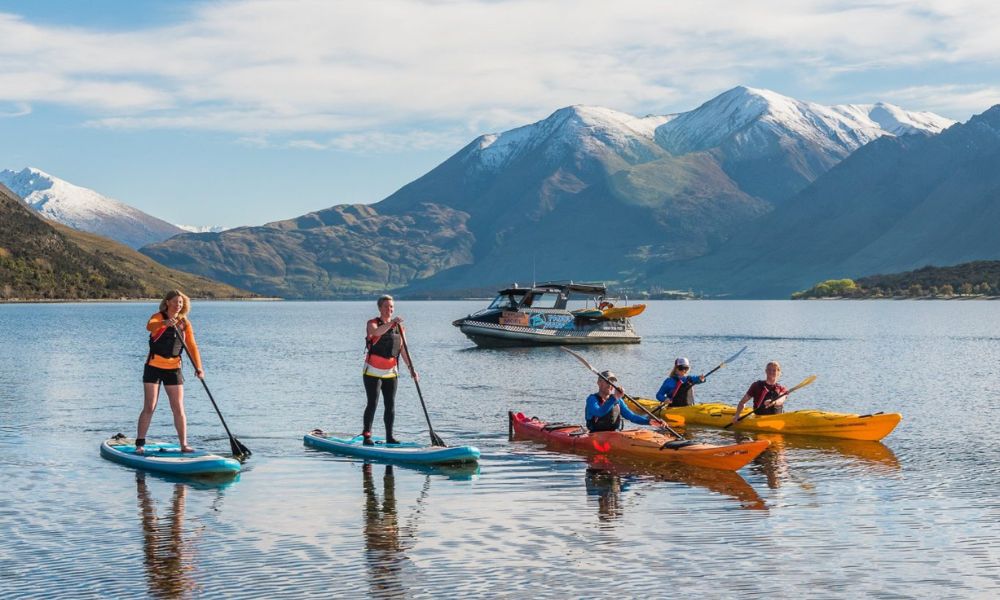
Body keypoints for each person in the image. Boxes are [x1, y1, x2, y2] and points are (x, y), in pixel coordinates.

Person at [136, 290, 204, 454]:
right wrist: (164, 323)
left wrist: (199, 367)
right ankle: (140, 444)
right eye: (175, 302)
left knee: (178, 407)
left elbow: (192, 346)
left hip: (173, 368)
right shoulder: (158, 317)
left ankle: (184, 444)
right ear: (167, 302)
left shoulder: (184, 323)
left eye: (181, 302)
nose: (178, 305)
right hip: (153, 366)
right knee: (149, 406)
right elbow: (149, 326)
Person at [363, 295, 417, 446]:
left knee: (390, 404)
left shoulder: (400, 328)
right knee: (372, 403)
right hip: (372, 371)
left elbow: (404, 351)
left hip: (391, 371)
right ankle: (367, 435)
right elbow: (377, 333)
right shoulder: (372, 323)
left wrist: (412, 369)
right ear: (380, 308)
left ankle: (390, 437)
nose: (390, 309)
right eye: (386, 307)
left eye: (392, 307)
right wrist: (392, 323)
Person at [586, 370, 664, 432]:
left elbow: (631, 416)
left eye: (612, 382)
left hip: (613, 434)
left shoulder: (618, 401)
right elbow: (599, 413)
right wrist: (614, 397)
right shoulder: (592, 399)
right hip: (595, 433)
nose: (610, 385)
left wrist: (650, 422)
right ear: (598, 383)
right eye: (607, 382)